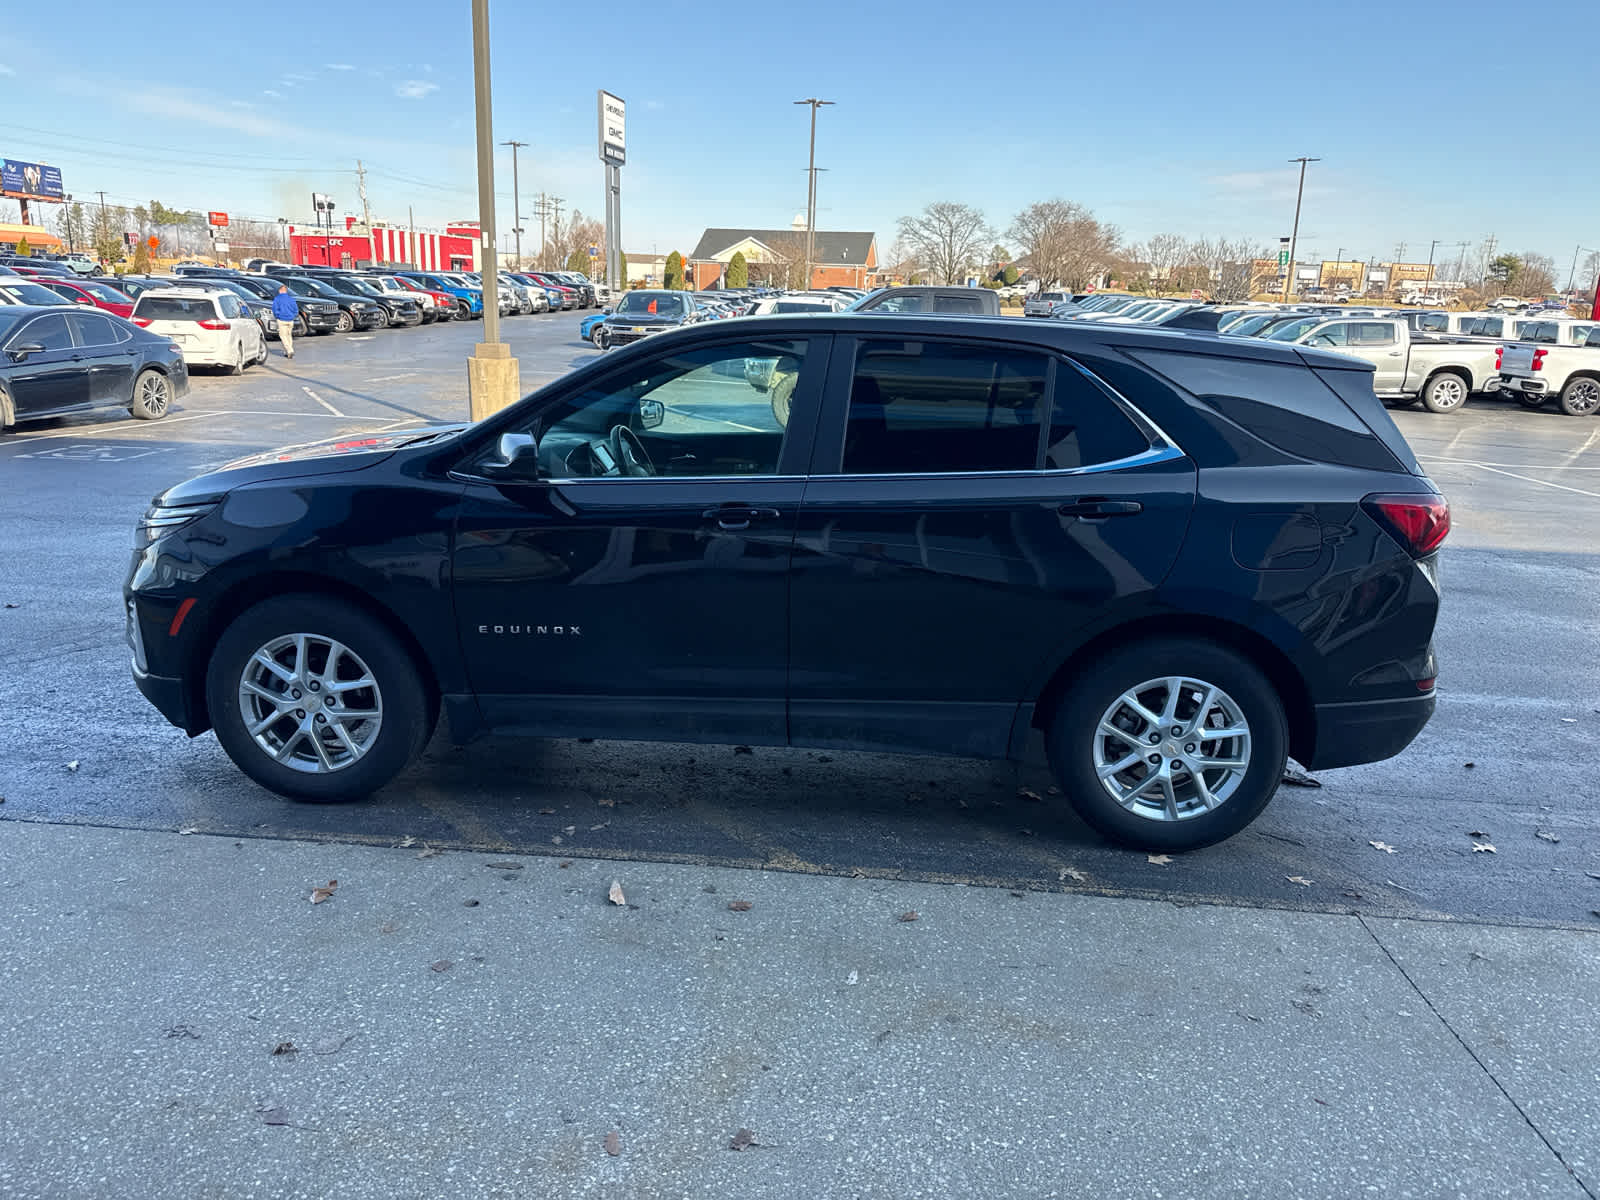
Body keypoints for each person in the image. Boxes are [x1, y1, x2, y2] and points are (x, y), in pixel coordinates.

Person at [271, 284, 299, 359]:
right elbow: (296, 310)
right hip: (290, 320)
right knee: (288, 335)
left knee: (283, 336)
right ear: (286, 291)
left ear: (280, 291)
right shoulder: (291, 299)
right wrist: (293, 316)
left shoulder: (277, 299)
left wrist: (277, 316)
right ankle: (287, 352)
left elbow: (274, 309)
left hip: (281, 319)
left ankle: (289, 350)